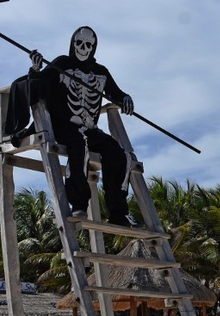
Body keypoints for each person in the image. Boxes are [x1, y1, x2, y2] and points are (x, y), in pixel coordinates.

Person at [21, 26, 137, 227]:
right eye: (79, 43)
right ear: (73, 44)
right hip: (64, 126)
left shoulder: (100, 72)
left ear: (94, 47)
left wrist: (125, 99)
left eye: (88, 45)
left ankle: (118, 211)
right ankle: (79, 203)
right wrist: (35, 69)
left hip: (90, 129)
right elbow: (38, 85)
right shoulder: (60, 64)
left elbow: (115, 92)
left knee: (119, 154)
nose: (83, 48)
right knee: (79, 144)